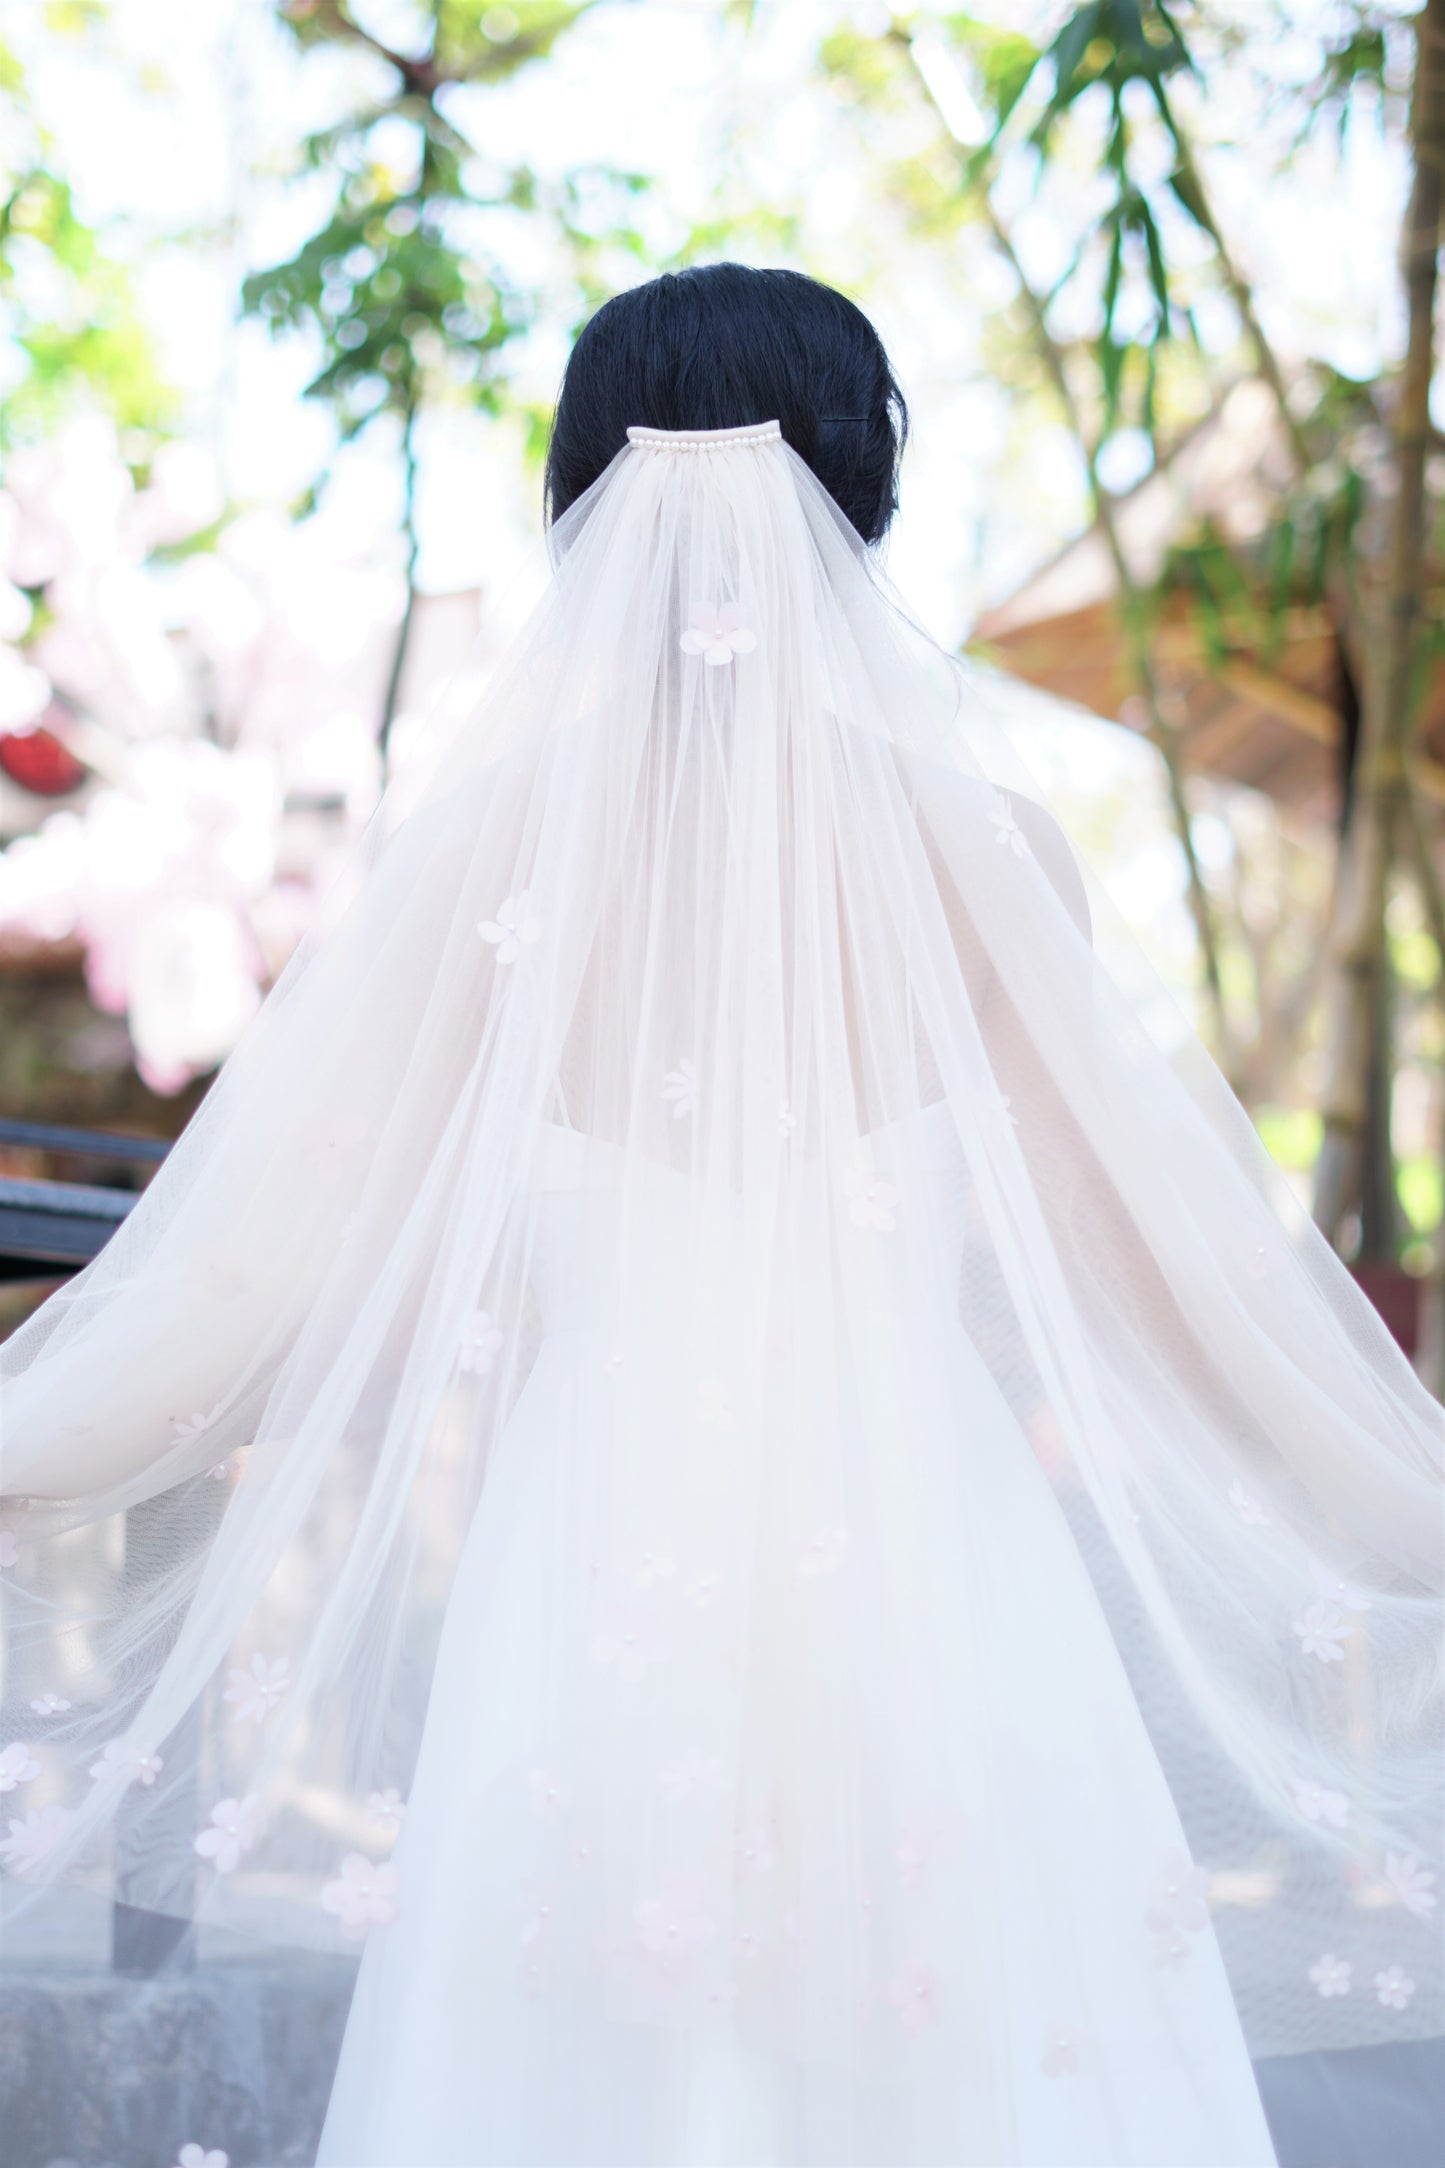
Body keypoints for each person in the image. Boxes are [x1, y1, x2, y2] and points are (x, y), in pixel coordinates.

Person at [1, 265, 1440, 2168]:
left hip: (589, 1593)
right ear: (866, 505)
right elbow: (1183, 1303)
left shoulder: (486, 868)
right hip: (940, 1590)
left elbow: (244, 1292)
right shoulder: (990, 860)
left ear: (578, 510)